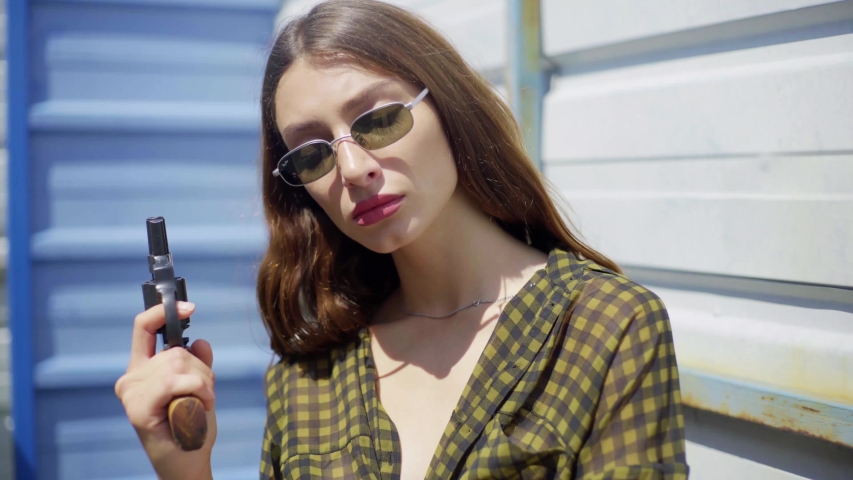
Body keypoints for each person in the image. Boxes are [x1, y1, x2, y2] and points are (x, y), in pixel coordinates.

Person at [115, 1, 690, 479]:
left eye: (378, 121)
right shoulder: (309, 373)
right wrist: (184, 469)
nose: (353, 168)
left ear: (450, 107)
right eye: (312, 153)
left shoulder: (604, 326)